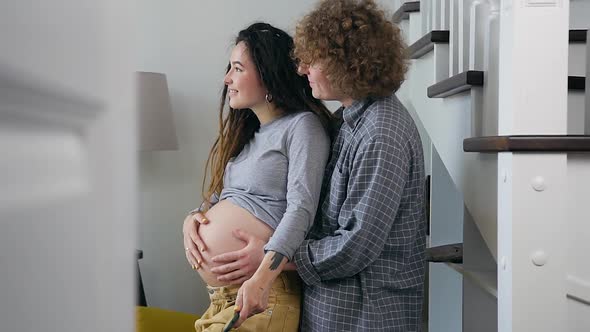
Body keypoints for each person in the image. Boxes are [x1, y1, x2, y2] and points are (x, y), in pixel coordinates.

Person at [195, 1, 428, 331]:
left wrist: (271, 260)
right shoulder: (344, 123)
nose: (302, 70)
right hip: (331, 309)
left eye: (312, 60)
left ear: (345, 63)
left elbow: (355, 246)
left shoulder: (381, 132)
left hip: (364, 315)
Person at [181, 22, 333, 331]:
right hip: (221, 299)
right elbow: (224, 196)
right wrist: (192, 219)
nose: (227, 79)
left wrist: (263, 275)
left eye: (237, 69)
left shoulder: (302, 127)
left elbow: (301, 209)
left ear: (268, 75)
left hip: (263, 296)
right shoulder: (250, 137)